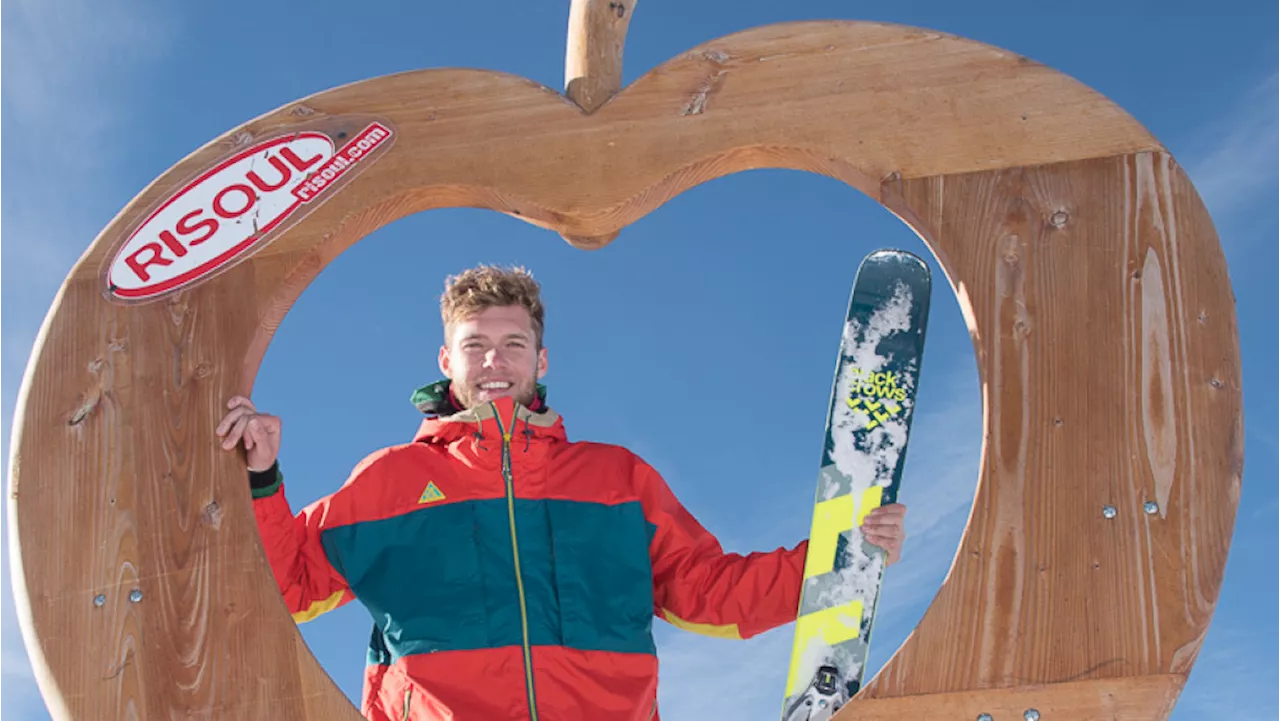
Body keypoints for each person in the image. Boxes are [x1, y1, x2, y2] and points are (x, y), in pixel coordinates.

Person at [216, 264, 908, 721]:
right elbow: (289, 586)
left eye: (513, 344)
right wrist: (261, 479)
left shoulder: (617, 479)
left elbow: (708, 591)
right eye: (476, 344)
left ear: (540, 359)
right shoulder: (389, 481)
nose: (495, 361)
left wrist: (839, 561)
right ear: (445, 361)